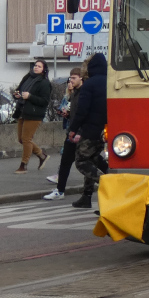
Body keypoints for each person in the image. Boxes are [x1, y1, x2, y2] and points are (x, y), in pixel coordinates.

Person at [67, 54, 109, 209]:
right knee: (93, 159)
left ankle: (108, 182)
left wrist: (73, 129)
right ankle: (87, 196)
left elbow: (82, 110)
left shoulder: (89, 84)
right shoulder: (110, 82)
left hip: (90, 129)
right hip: (105, 129)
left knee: (81, 161)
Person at [44, 67, 83, 201]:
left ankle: (108, 179)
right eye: (70, 78)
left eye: (74, 78)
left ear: (81, 78)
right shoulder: (74, 93)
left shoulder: (83, 93)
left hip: (80, 133)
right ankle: (60, 190)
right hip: (72, 132)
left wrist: (77, 130)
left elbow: (82, 113)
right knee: (66, 161)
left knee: (90, 161)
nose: (71, 81)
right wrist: (67, 114)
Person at [13, 59, 52, 174]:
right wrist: (17, 94)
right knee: (21, 139)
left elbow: (45, 101)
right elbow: (19, 90)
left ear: (44, 69)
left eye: (39, 66)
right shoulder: (27, 77)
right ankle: (42, 155)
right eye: (35, 65)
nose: (36, 67)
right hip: (22, 111)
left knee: (26, 139)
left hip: (34, 114)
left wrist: (30, 96)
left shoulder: (44, 83)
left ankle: (23, 165)